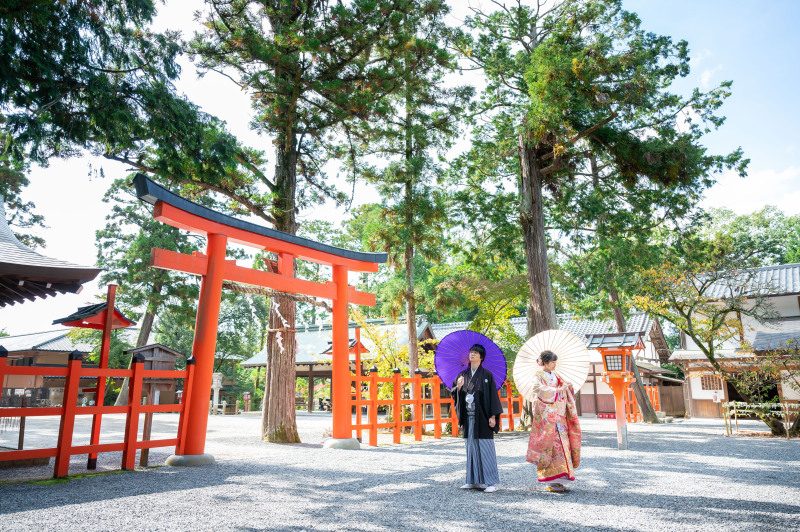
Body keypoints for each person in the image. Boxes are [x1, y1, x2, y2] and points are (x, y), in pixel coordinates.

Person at [525, 350, 581, 493]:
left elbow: (562, 390)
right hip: (547, 418)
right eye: (552, 362)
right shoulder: (538, 376)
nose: (554, 364)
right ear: (544, 362)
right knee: (550, 447)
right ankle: (550, 481)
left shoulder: (556, 376)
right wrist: (556, 390)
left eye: (555, 362)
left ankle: (561, 479)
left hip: (559, 416)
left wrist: (566, 387)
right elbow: (537, 389)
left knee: (563, 447)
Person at [452, 344, 504, 493]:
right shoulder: (463, 375)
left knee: (485, 448)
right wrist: (459, 387)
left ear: (481, 357)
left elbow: (493, 396)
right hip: (469, 417)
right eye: (471, 352)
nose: (472, 355)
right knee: (471, 448)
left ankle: (491, 482)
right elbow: (455, 393)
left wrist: (493, 416)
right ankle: (473, 481)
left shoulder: (487, 375)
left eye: (475, 353)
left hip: (482, 416)